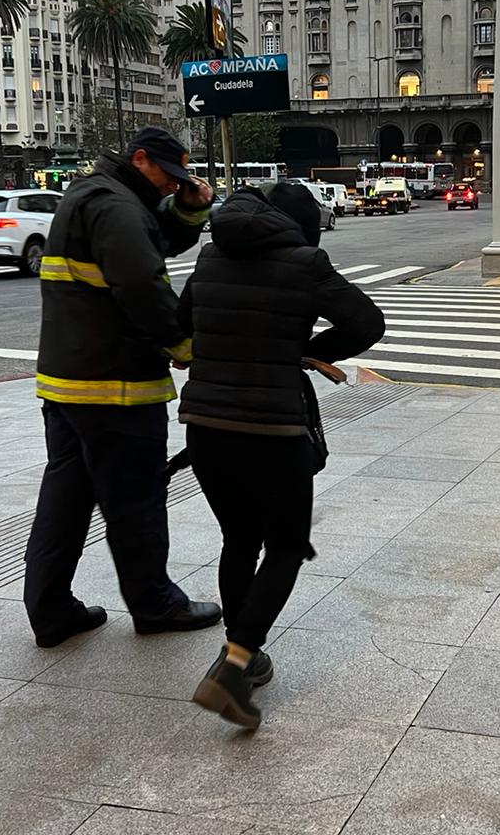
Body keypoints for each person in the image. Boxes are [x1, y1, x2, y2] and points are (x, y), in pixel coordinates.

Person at [177, 183, 385, 728]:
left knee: (239, 539)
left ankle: (242, 657)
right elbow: (367, 323)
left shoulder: (211, 254)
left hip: (205, 426)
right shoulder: (306, 261)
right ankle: (236, 661)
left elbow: (181, 327)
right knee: (286, 546)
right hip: (272, 429)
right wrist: (307, 351)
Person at [22, 127, 224, 647]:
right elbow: (140, 283)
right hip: (115, 387)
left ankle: (50, 610)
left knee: (64, 502)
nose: (169, 186)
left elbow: (149, 240)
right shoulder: (116, 207)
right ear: (140, 159)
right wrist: (185, 347)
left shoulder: (94, 195)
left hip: (67, 385)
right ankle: (154, 603)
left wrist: (189, 209)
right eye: (166, 176)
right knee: (135, 501)